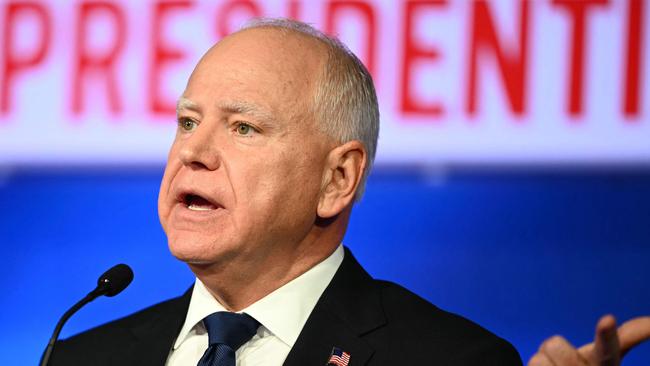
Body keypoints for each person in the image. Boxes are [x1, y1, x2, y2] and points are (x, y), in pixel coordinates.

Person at [49, 18, 524, 365]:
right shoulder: (80, 357)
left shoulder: (450, 359)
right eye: (188, 122)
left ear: (337, 179)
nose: (193, 151)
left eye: (244, 128)